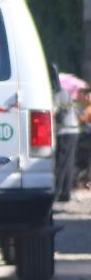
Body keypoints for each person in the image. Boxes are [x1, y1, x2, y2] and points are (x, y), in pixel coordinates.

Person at [53, 66, 79, 203]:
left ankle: (56, 192)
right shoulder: (64, 92)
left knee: (61, 162)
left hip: (65, 131)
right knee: (68, 162)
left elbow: (55, 111)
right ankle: (65, 193)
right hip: (72, 130)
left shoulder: (59, 93)